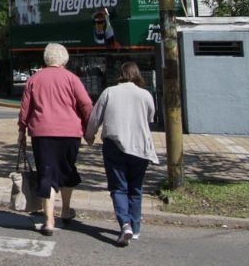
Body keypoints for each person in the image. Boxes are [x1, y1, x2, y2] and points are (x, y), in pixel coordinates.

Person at [18, 43, 93, 236]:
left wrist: (22, 131)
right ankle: (66, 211)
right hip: (70, 133)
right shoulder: (72, 78)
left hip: (41, 133)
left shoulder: (34, 79)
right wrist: (88, 128)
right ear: (64, 59)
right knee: (67, 170)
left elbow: (25, 109)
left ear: (46, 59)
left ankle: (49, 220)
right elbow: (86, 104)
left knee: (47, 173)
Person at [86, 61, 158, 247]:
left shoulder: (109, 92)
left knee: (118, 188)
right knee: (136, 188)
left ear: (121, 74)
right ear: (137, 75)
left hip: (114, 146)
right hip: (140, 147)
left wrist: (89, 135)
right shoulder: (145, 95)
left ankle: (124, 223)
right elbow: (150, 118)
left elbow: (95, 117)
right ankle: (135, 228)